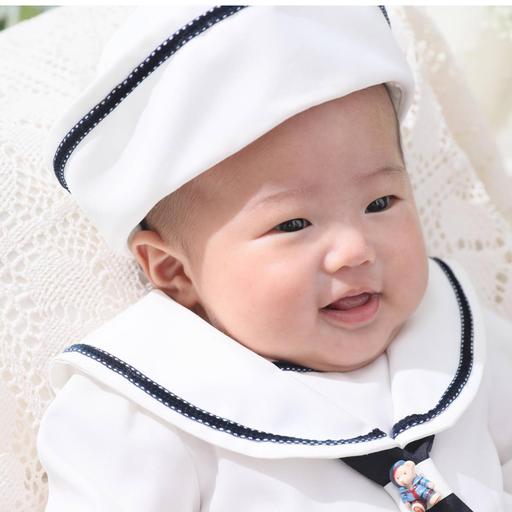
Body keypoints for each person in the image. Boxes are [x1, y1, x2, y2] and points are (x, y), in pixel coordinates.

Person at [37, 5, 512, 511]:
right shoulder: (136, 417)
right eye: (292, 225)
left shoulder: (456, 333)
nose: (355, 250)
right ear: (174, 270)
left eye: (380, 203)